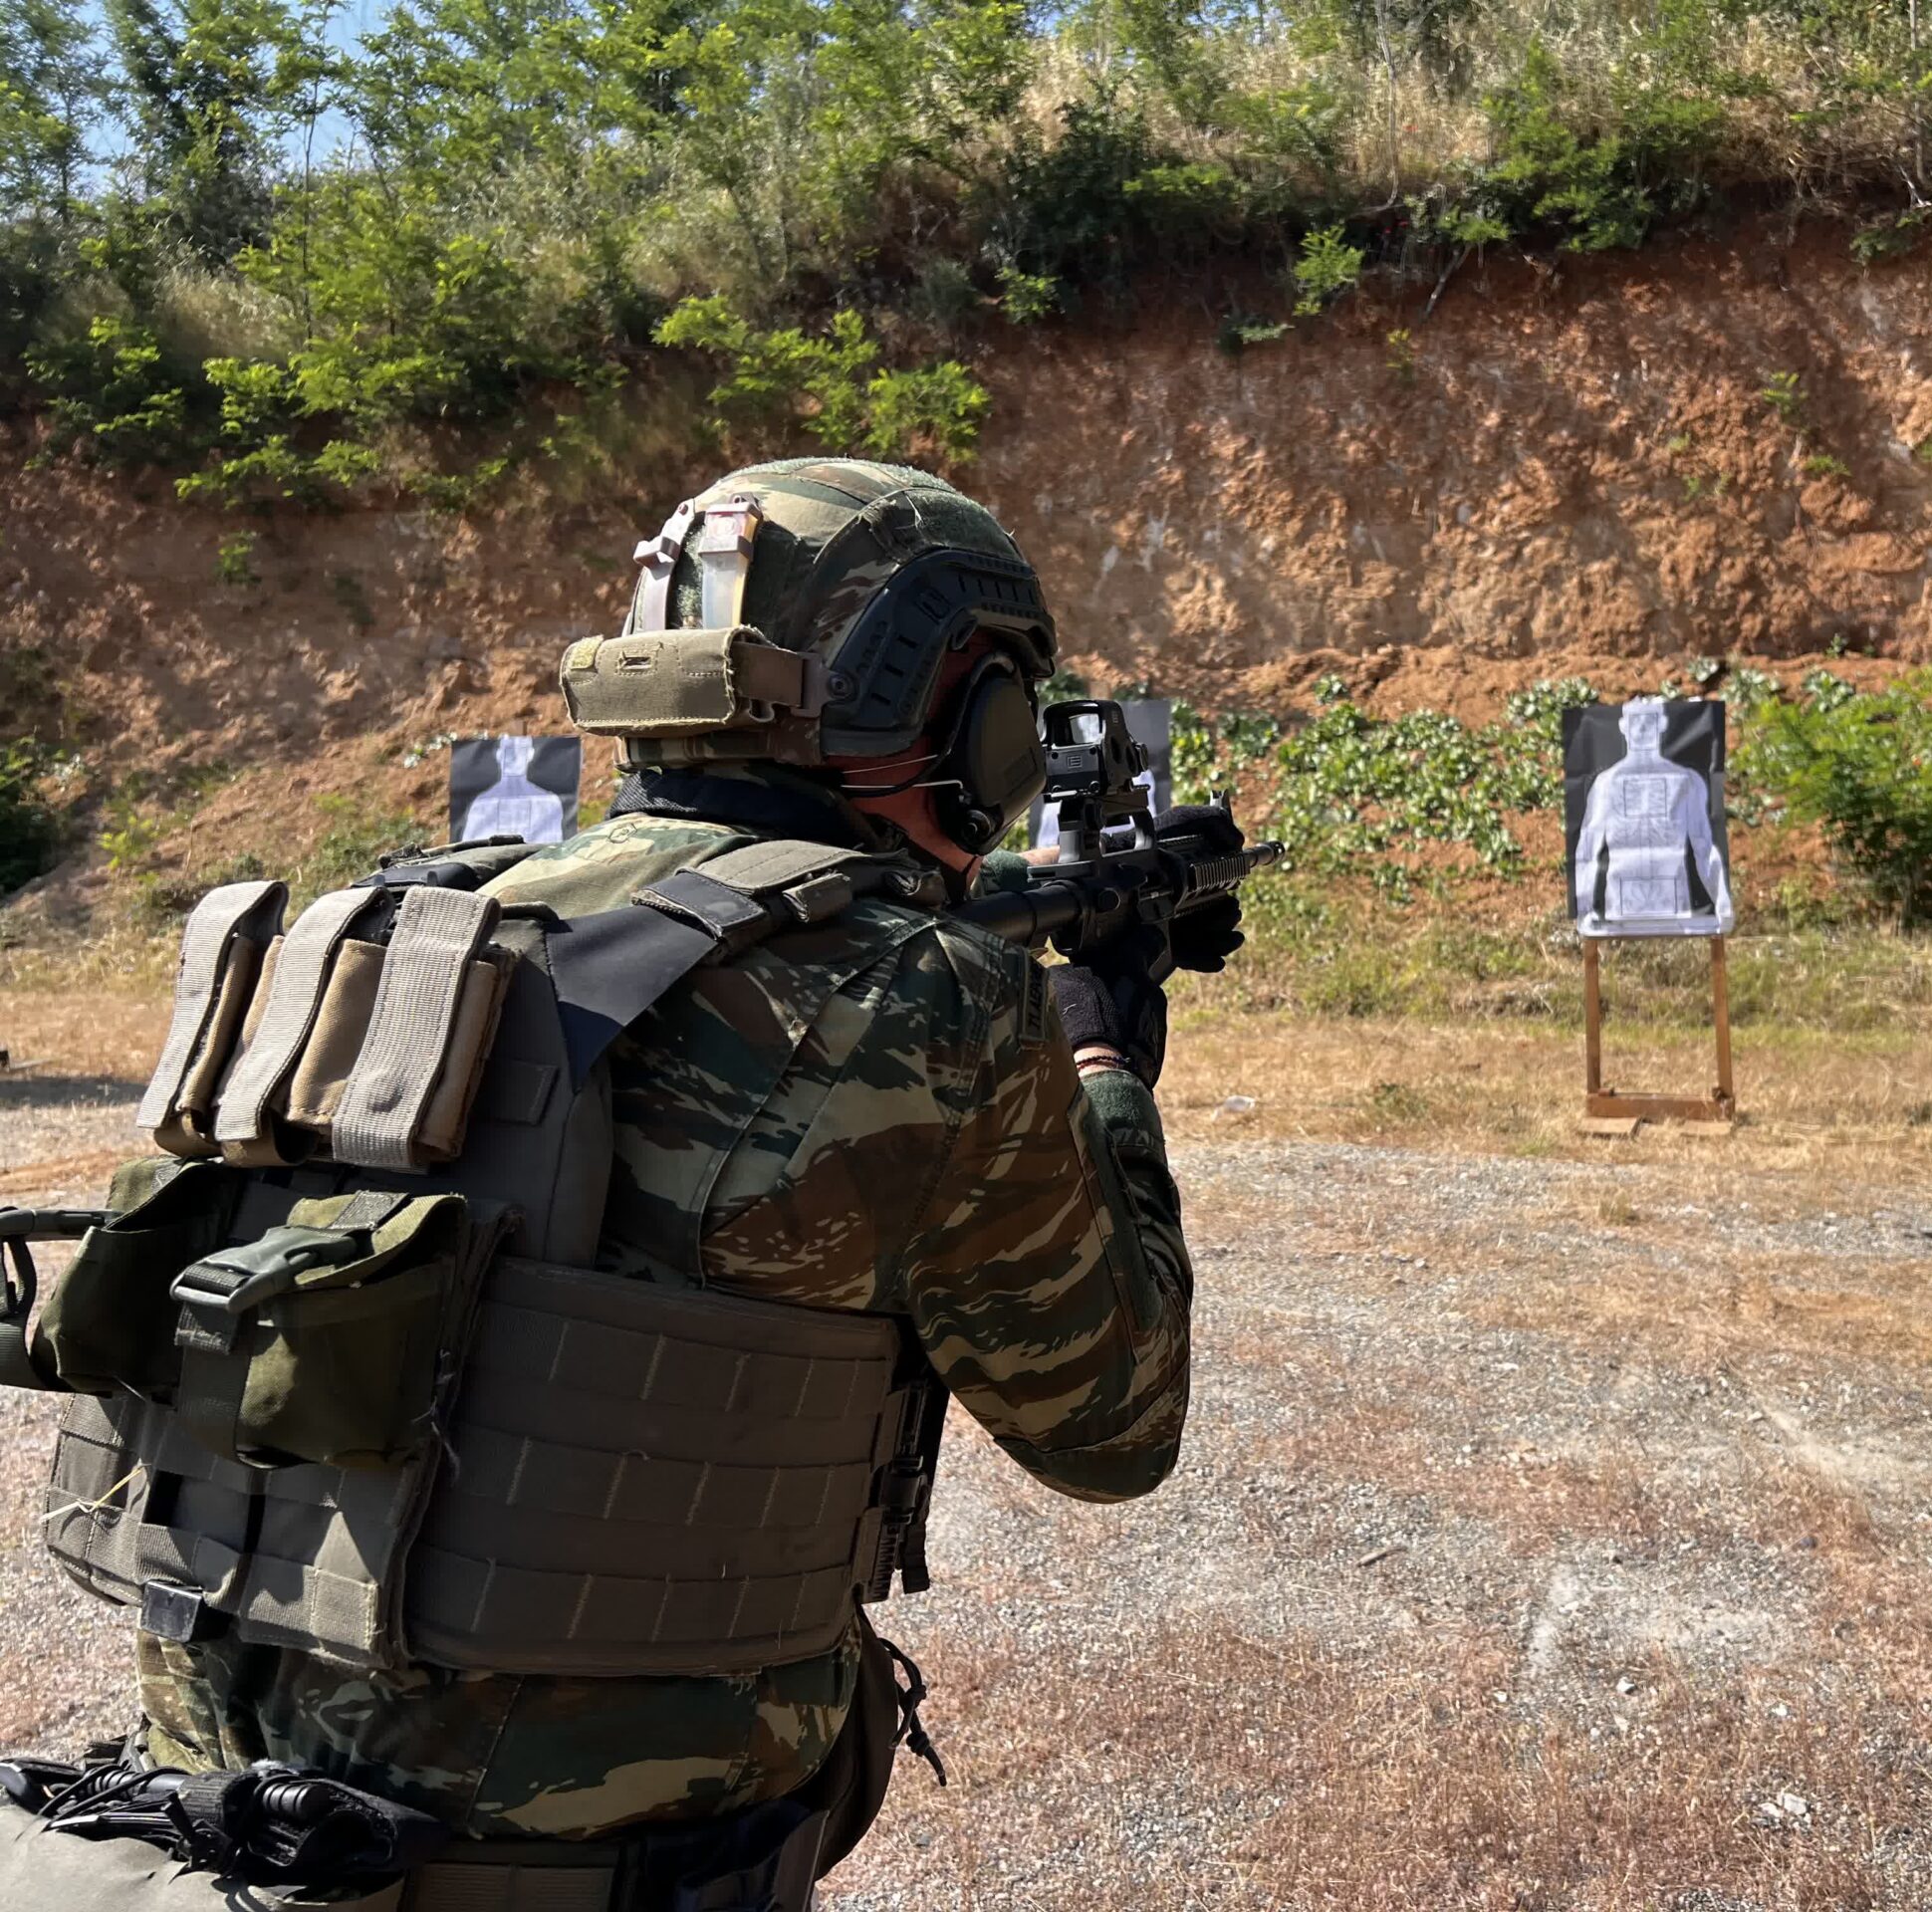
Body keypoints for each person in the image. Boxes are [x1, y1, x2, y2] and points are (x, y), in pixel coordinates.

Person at [2, 458, 1237, 1907]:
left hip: (230, 1839)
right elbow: (1114, 1428)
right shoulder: (934, 1001)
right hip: (605, 1877)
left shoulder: (398, 933)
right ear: (964, 711)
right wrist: (1103, 1067)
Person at [1573, 696, 1730, 935]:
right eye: (1636, 721)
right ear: (1623, 727)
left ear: (1663, 724)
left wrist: (1722, 900)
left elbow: (1704, 848)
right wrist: (1584, 907)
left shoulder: (1686, 781)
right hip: (1619, 910)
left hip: (1675, 906)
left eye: (1650, 720)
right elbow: (1587, 849)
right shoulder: (1606, 784)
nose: (1643, 728)